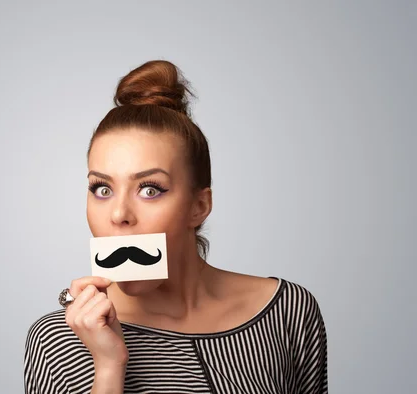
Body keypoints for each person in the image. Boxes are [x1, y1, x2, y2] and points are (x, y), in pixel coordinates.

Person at [24, 60, 328, 393]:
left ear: (199, 207)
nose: (118, 213)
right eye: (103, 189)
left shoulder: (288, 311)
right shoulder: (57, 340)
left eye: (149, 189)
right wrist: (109, 367)